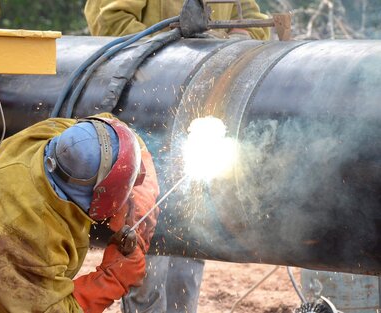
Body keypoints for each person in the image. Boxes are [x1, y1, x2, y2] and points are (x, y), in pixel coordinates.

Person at [83, 1, 270, 312]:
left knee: (191, 232)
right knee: (147, 241)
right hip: (148, 110)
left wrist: (239, 34)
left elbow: (252, 19)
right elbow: (109, 21)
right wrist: (175, 50)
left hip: (201, 113)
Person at [0, 112, 160, 313]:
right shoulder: (26, 233)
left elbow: (112, 130)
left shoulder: (59, 136)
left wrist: (140, 182)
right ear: (101, 195)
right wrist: (112, 278)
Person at [84, 0, 270, 40]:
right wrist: (168, 51)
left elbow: (250, 18)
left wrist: (240, 38)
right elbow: (111, 20)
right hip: (145, 84)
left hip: (212, 79)